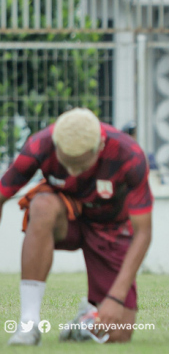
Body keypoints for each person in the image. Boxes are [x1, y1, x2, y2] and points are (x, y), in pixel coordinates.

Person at [1, 108, 153, 345]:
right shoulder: (40, 145)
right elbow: (1, 194)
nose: (72, 173)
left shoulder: (129, 155)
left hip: (109, 228)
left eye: (80, 166)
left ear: (99, 146)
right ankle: (28, 324)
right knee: (41, 205)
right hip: (66, 218)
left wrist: (116, 297)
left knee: (119, 332)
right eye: (67, 163)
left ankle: (85, 320)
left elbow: (143, 232)